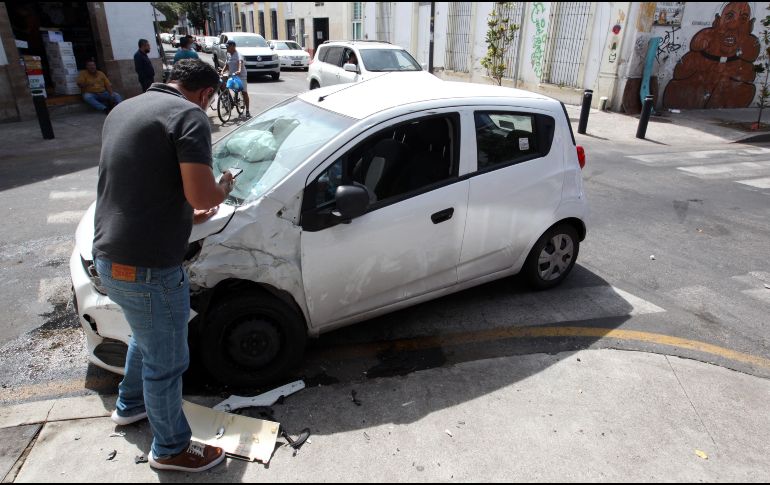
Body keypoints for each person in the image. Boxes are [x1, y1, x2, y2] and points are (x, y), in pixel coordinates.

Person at [92, 59, 234, 473]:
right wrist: (223, 187)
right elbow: (202, 194)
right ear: (206, 94)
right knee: (167, 362)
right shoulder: (188, 116)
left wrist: (185, 217)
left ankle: (130, 405)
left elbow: (143, 188)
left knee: (145, 336)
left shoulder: (125, 108)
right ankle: (171, 448)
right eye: (210, 102)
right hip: (148, 267)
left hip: (110, 257)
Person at [221, 40, 250, 117]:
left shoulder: (238, 54)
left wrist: (239, 70)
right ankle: (230, 101)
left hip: (241, 75)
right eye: (226, 47)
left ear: (233, 46)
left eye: (228, 46)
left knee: (244, 92)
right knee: (226, 86)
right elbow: (227, 65)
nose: (227, 48)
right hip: (232, 75)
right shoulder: (228, 54)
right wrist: (222, 71)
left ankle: (247, 110)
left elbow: (240, 62)